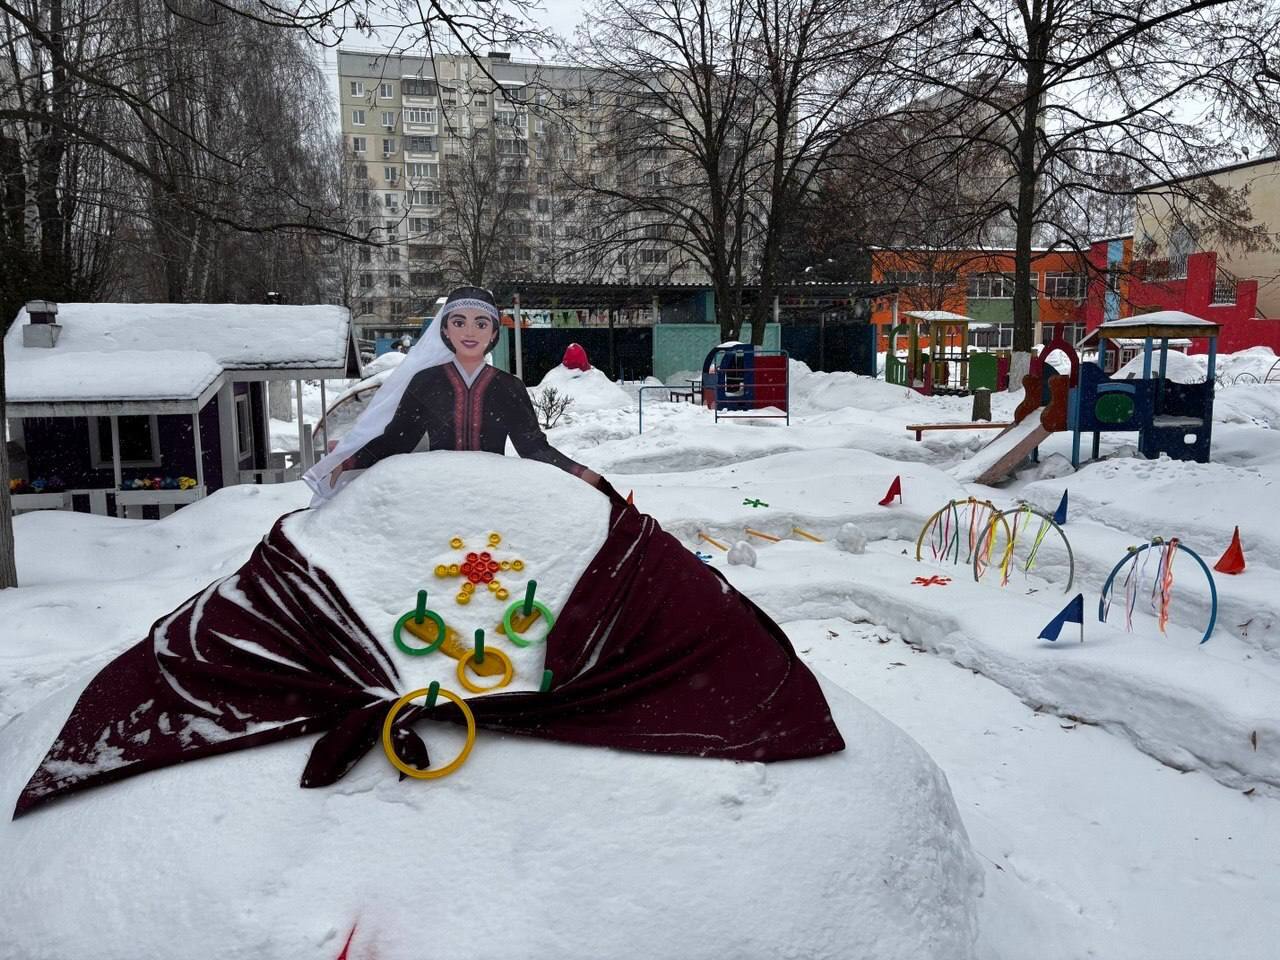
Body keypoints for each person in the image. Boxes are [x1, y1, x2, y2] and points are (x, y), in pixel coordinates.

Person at [305, 286, 602, 501]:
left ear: (494, 333)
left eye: (481, 323)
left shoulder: (509, 387)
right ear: (445, 330)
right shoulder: (426, 382)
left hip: (496, 496)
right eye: (459, 322)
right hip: (437, 495)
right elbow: (398, 439)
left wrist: (584, 474)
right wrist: (348, 461)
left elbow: (534, 449)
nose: (469, 332)